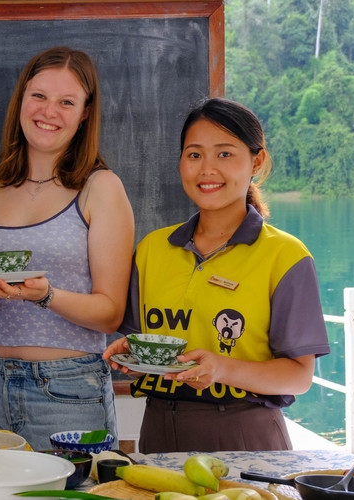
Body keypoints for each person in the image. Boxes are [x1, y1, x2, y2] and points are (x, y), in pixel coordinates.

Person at [102, 97, 330, 453]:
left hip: (244, 434)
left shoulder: (286, 256)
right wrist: (136, 355)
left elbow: (299, 376)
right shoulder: (152, 249)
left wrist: (222, 369)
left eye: (225, 154)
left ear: (257, 161)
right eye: (194, 155)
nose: (207, 169)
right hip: (159, 429)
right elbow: (149, 344)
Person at [0, 46, 135, 451]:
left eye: (66, 102)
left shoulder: (100, 187)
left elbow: (110, 312)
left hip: (69, 390)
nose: (48, 111)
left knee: (70, 487)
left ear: (85, 113)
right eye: (39, 96)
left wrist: (45, 295)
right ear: (21, 99)